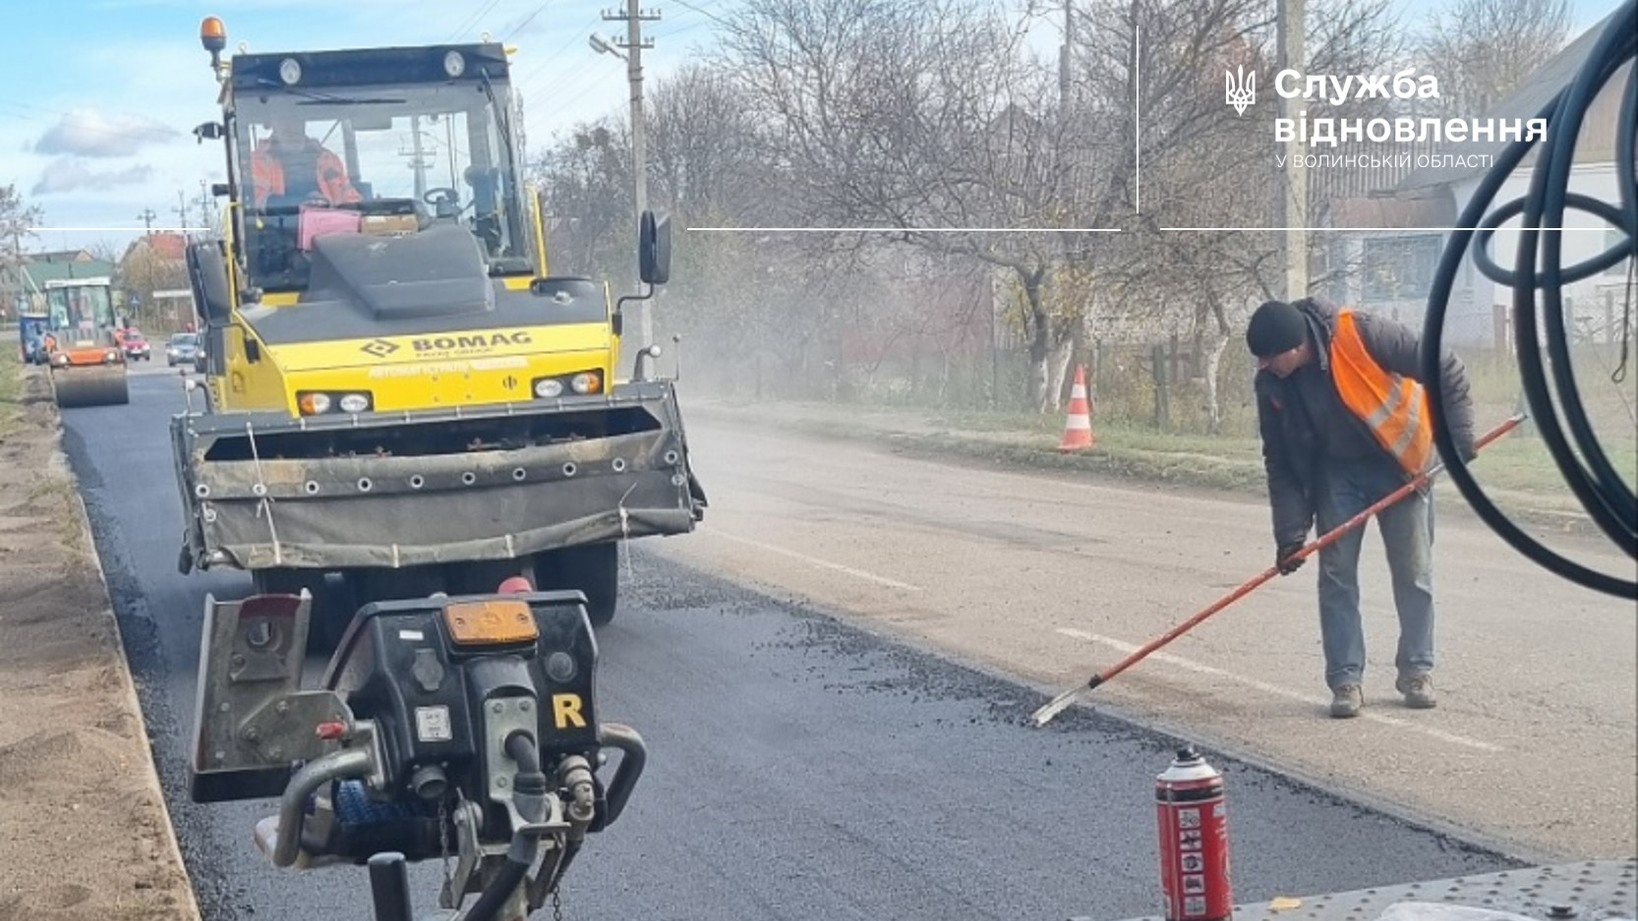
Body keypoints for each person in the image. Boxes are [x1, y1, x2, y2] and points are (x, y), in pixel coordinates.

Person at [1245, 296, 1475, 719]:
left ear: (1296, 347)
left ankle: (1416, 671)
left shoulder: (1364, 332)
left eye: (1269, 357)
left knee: (1414, 572)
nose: (1263, 365)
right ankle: (1345, 679)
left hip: (1401, 464)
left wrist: (1457, 446)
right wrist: (1290, 534)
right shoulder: (1273, 384)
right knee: (1335, 576)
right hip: (1336, 473)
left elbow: (1446, 368)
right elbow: (1279, 460)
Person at [249, 114, 362, 208]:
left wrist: (361, 208)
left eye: (296, 119)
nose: (291, 126)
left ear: (304, 121)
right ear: (272, 123)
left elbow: (350, 199)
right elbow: (255, 203)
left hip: (330, 230)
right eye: (283, 118)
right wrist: (304, 204)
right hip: (274, 230)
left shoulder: (329, 159)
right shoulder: (256, 162)